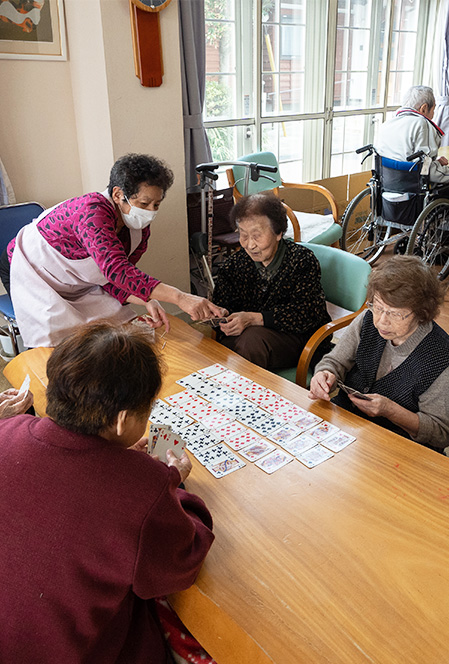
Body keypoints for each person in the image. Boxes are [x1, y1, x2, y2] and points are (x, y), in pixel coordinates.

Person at [0, 322, 214, 663]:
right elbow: (180, 564)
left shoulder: (7, 427)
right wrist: (174, 483)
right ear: (121, 420)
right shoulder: (144, 487)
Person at [0, 153, 226, 348]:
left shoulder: (137, 230)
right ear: (118, 195)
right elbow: (116, 271)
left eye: (156, 205)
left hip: (72, 280)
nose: (151, 212)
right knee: (51, 344)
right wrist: (180, 297)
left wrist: (145, 298)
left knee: (108, 330)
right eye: (144, 203)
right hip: (28, 269)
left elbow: (116, 281)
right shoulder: (92, 212)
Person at [309, 255, 449, 452]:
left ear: (421, 313)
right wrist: (324, 374)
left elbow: (440, 433)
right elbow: (335, 362)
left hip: (399, 449)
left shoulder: (441, 359)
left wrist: (391, 411)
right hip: (348, 428)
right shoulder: (367, 321)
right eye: (378, 307)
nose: (382, 321)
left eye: (394, 313)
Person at [212, 193, 331, 369]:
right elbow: (224, 305)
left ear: (279, 233)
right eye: (243, 235)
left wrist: (255, 319)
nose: (250, 245)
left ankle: (246, 393)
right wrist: (220, 316)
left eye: (257, 236)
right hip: (248, 337)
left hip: (296, 338)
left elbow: (306, 313)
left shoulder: (301, 260)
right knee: (212, 350)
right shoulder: (234, 264)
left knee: (248, 345)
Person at [375, 85, 449, 184]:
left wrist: (436, 163)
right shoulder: (422, 123)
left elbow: (403, 157)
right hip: (412, 184)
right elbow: (428, 171)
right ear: (424, 108)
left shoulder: (387, 124)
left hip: (387, 182)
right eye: (433, 110)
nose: (433, 114)